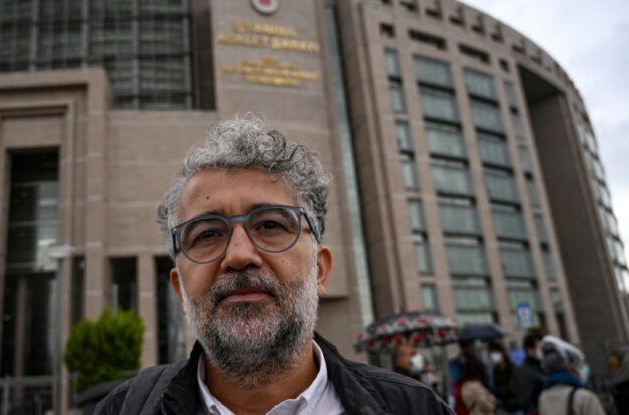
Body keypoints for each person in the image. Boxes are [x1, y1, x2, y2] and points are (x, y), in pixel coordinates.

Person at [94, 118, 452, 414]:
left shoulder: (416, 407)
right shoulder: (125, 408)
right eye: (206, 234)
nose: (238, 255)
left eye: (270, 225)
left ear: (320, 270)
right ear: (179, 289)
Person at [537, 335, 605, 415]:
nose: (581, 370)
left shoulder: (543, 398)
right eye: (579, 366)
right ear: (570, 368)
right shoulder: (585, 398)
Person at [486, 341, 522, 414]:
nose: (493, 356)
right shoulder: (495, 371)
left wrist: (502, 391)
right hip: (504, 408)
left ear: (502, 353)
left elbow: (515, 388)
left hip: (516, 407)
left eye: (494, 353)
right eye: (491, 353)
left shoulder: (512, 368)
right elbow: (494, 391)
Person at [514, 332, 545, 414]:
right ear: (529, 349)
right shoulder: (524, 371)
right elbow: (525, 401)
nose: (542, 351)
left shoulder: (544, 367)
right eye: (539, 347)